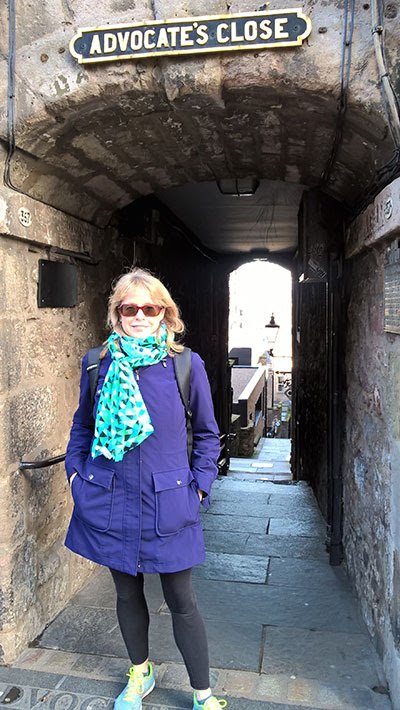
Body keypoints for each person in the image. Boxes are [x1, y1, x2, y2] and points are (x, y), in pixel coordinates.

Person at [64, 267, 225, 710]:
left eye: (149, 308)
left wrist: (199, 488)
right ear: (117, 313)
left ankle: (203, 692)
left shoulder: (184, 365)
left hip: (167, 502)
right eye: (129, 308)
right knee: (126, 593)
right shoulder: (97, 363)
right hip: (110, 499)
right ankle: (141, 673)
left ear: (164, 314)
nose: (139, 316)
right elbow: (82, 427)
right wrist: (76, 478)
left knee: (181, 600)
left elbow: (207, 434)